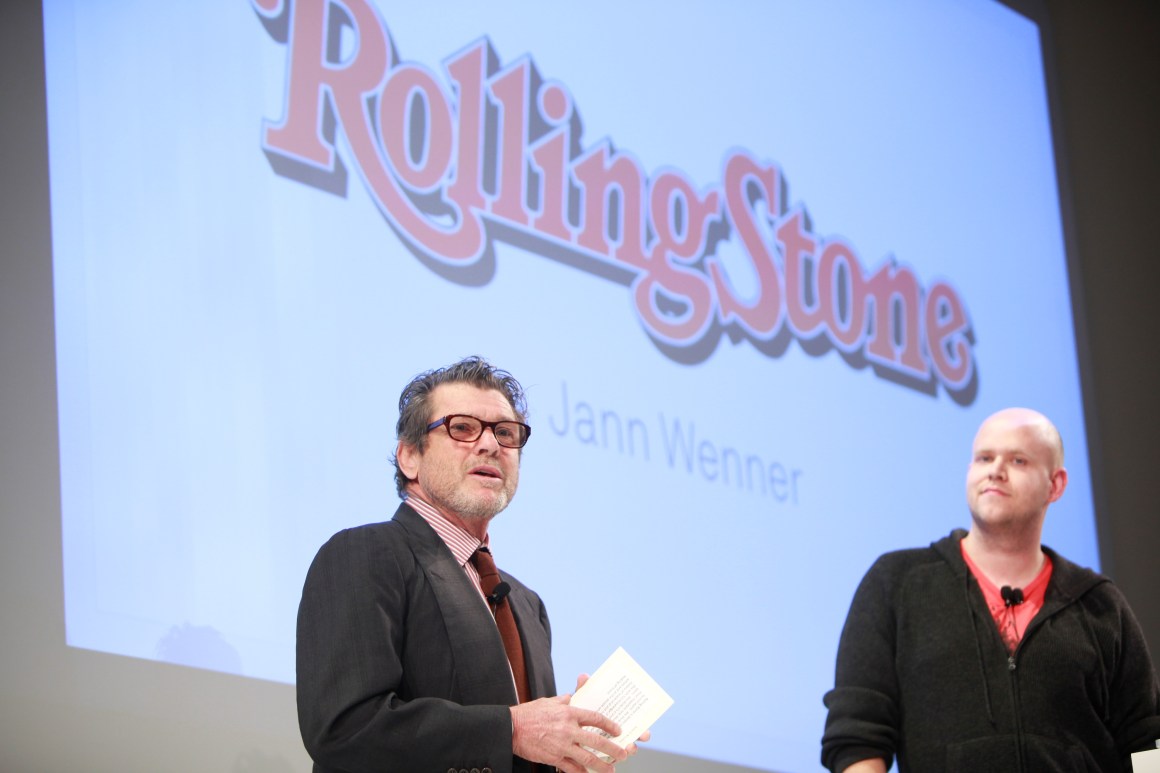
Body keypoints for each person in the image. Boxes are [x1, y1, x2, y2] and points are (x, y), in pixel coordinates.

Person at [297, 356, 641, 773]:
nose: (491, 444)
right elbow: (344, 730)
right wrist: (511, 730)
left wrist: (575, 742)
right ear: (409, 457)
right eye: (462, 427)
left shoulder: (528, 606)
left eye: (505, 432)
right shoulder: (366, 553)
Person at [821, 407, 1160, 772]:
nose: (995, 470)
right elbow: (857, 735)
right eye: (984, 457)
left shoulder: (1100, 605)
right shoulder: (899, 583)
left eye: (1018, 460)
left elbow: (1147, 741)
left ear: (1056, 485)